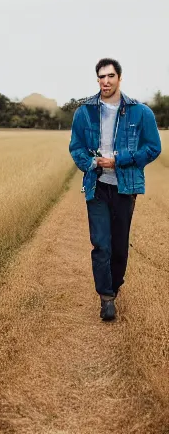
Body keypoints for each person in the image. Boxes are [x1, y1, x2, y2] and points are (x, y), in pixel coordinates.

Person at [69, 58, 160, 321]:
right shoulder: (84, 112)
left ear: (120, 78)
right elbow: (75, 148)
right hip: (97, 185)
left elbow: (153, 148)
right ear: (97, 80)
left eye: (110, 76)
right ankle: (106, 298)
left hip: (124, 186)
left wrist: (118, 160)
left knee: (119, 247)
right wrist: (91, 163)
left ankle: (115, 287)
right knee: (101, 244)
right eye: (101, 77)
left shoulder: (140, 112)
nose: (105, 81)